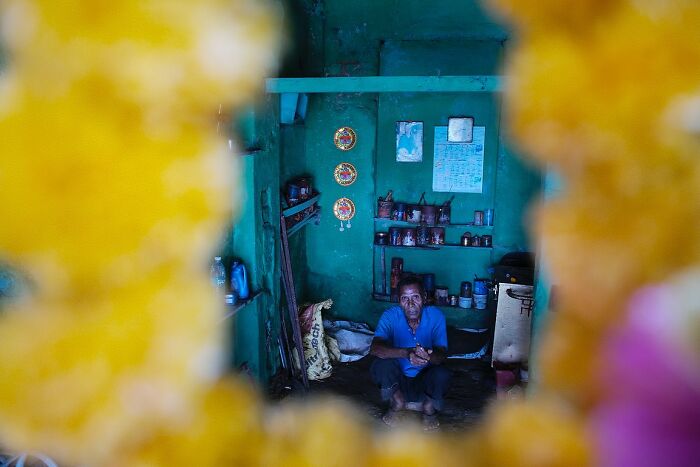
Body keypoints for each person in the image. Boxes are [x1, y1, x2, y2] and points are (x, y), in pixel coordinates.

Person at [370, 274, 451, 430]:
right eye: (404, 299)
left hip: (425, 384)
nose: (411, 304)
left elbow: (442, 354)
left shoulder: (436, 316)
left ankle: (428, 407)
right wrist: (407, 353)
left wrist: (428, 357)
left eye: (416, 297)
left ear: (425, 297)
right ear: (398, 300)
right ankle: (397, 402)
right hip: (397, 384)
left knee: (442, 373)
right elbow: (375, 348)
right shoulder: (390, 316)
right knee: (380, 365)